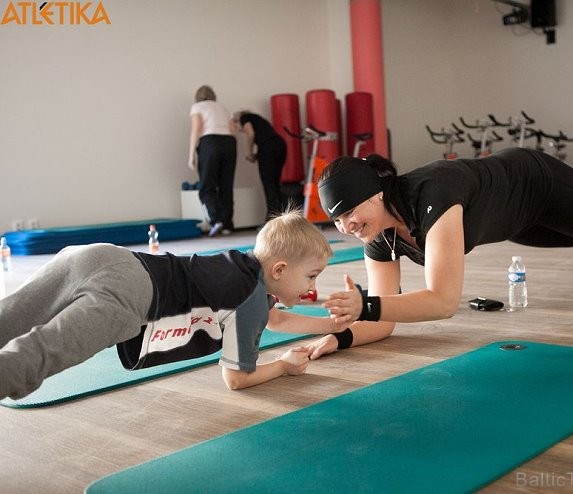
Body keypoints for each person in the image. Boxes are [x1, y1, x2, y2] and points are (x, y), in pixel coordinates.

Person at [304, 148, 573, 357]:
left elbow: (442, 300)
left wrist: (367, 305)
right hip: (514, 220)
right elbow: (386, 319)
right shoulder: (379, 238)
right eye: (336, 220)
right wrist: (339, 337)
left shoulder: (432, 195)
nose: (346, 227)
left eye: (349, 212)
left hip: (535, 183)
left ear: (375, 193)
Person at [0, 210, 346, 401]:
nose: (312, 287)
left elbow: (276, 321)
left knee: (8, 320)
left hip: (97, 256)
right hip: (131, 294)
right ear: (280, 270)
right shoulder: (249, 300)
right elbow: (238, 379)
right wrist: (283, 366)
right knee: (37, 356)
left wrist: (330, 326)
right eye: (311, 276)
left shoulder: (244, 270)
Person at [189, 85, 238, 237]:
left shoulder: (197, 107)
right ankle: (228, 225)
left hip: (210, 142)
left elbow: (197, 128)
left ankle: (215, 220)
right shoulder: (222, 108)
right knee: (226, 185)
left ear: (198, 96)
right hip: (229, 143)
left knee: (206, 186)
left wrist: (191, 155)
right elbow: (233, 129)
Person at [237, 111, 288, 218]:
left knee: (268, 183)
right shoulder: (258, 120)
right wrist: (258, 155)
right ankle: (282, 214)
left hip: (268, 149)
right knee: (275, 182)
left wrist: (249, 153)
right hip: (280, 146)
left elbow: (250, 133)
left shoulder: (244, 117)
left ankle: (273, 216)